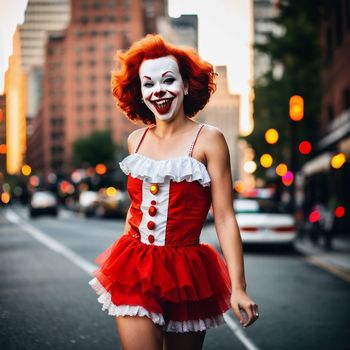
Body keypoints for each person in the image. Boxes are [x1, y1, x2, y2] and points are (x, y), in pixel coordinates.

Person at [89, 34, 259, 350]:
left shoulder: (209, 139)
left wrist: (239, 287)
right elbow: (134, 208)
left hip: (188, 272)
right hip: (136, 266)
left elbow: (223, 217)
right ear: (139, 93)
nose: (159, 91)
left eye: (168, 80)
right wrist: (122, 261)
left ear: (185, 85)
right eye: (148, 84)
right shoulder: (135, 142)